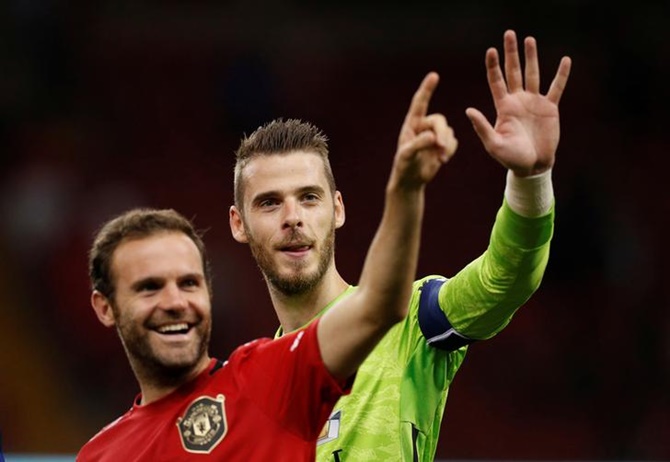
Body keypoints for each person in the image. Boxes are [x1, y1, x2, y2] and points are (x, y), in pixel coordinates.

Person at [76, 70, 457, 461]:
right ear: (105, 307)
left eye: (189, 283)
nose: (175, 301)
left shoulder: (268, 378)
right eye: (149, 287)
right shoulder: (101, 455)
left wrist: (406, 191)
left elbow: (379, 306)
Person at [228, 29, 572, 461]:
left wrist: (531, 179)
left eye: (309, 197)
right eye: (269, 203)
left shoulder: (412, 322)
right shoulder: (245, 394)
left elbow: (505, 278)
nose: (292, 217)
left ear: (337, 209)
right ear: (239, 224)